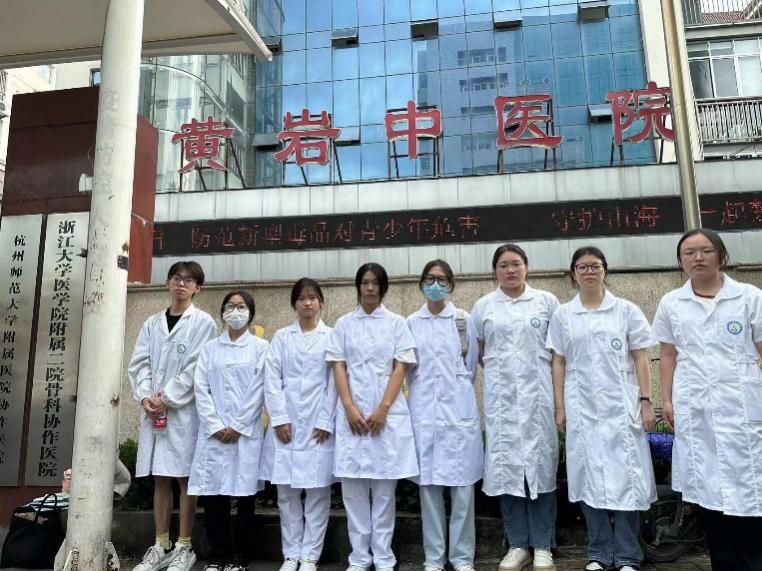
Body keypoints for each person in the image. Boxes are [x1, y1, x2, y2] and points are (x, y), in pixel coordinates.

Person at [652, 228, 762, 571]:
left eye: (706, 250)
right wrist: (666, 399)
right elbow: (668, 354)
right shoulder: (672, 302)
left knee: (750, 490)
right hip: (695, 407)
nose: (697, 258)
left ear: (721, 255)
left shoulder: (749, 297)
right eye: (689, 252)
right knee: (707, 491)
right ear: (681, 260)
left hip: (741, 406)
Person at [547, 246, 656, 571]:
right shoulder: (563, 315)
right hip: (582, 409)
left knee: (629, 480)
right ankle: (598, 553)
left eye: (595, 266)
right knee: (588, 479)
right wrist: (559, 406)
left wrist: (646, 401)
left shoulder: (625, 310)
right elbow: (558, 361)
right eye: (582, 267)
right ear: (573, 274)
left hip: (622, 408)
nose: (589, 272)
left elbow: (640, 356)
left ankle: (627, 555)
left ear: (605, 270)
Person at [470, 244, 560, 571]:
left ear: (526, 267)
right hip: (503, 402)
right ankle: (518, 544)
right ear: (495, 271)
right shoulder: (483, 306)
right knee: (507, 471)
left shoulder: (546, 302)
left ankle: (543, 545)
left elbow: (558, 353)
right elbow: (480, 350)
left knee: (541, 470)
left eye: (516, 264)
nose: (510, 270)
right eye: (504, 265)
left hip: (539, 399)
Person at [326, 263, 418, 571]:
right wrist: (349, 406)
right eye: (364, 282)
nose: (369, 288)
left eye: (375, 283)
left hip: (385, 415)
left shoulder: (397, 323)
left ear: (383, 287)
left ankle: (383, 556)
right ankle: (359, 557)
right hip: (351, 415)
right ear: (358, 286)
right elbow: (338, 366)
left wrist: (383, 409)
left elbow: (401, 366)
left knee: (384, 493)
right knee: (353, 493)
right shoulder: (344, 324)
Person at [128, 261, 217, 571]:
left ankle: (184, 546)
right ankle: (161, 544)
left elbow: (197, 368)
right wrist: (145, 397)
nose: (181, 284)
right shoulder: (152, 323)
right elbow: (139, 363)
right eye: (177, 278)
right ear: (167, 283)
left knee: (185, 478)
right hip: (154, 411)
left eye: (189, 280)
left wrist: (166, 398)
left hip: (183, 413)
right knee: (161, 476)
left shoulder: (203, 323)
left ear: (197, 288)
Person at [406, 260, 482, 571]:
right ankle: (434, 559)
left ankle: (462, 558)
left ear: (451, 284)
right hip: (424, 414)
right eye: (429, 278)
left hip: (458, 415)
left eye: (441, 279)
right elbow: (408, 370)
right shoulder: (411, 322)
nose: (435, 284)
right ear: (421, 283)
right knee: (429, 490)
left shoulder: (463, 320)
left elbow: (471, 368)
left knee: (462, 490)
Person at [189, 290, 269, 571]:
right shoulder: (210, 349)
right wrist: (214, 425)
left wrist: (238, 426)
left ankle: (240, 556)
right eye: (230, 306)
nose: (236, 311)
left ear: (251, 313)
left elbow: (260, 388)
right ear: (222, 312)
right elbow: (201, 387)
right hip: (214, 433)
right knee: (214, 495)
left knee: (245, 496)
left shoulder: (261, 347)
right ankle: (218, 554)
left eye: (241, 306)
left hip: (244, 434)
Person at [261, 278, 337, 571]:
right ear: (294, 303)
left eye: (312, 297)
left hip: (318, 423)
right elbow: (272, 379)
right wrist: (279, 418)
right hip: (288, 423)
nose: (307, 303)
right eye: (302, 298)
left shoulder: (332, 336)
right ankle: (291, 554)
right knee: (287, 494)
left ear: (321, 302)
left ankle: (309, 557)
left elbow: (336, 382)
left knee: (318, 492)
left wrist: (325, 420)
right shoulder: (282, 337)